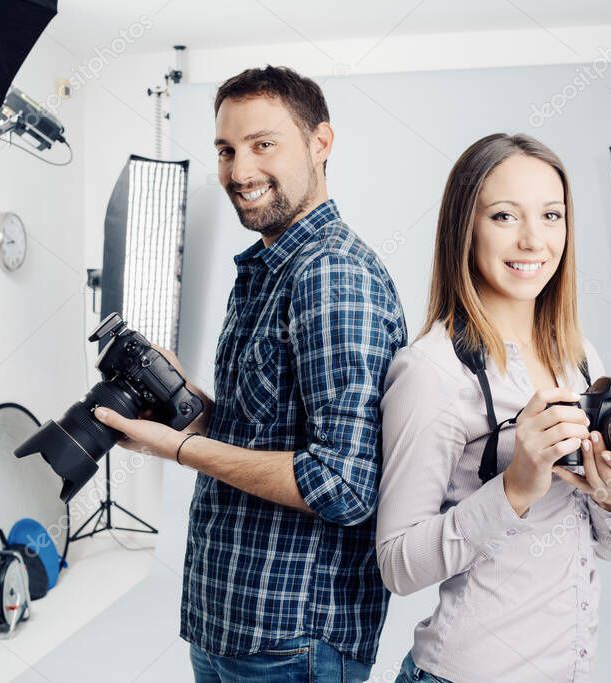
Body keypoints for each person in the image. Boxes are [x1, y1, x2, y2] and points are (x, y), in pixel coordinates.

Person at [92, 66, 407, 682]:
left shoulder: (332, 275)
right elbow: (261, 437)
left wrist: (181, 449)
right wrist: (186, 408)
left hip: (292, 638)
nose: (239, 171)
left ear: (320, 144)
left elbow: (342, 484)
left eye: (264, 145)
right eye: (226, 150)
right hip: (230, 621)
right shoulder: (268, 268)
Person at [375, 133, 611, 683]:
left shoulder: (580, 360)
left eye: (551, 215)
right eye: (505, 216)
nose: (534, 240)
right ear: (464, 228)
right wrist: (514, 487)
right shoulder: (432, 371)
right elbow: (396, 564)